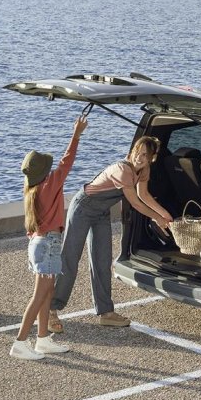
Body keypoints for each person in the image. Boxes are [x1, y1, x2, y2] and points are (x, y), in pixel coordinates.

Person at [49, 135, 173, 333]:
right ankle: (51, 309)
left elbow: (144, 195)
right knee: (70, 258)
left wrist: (164, 214)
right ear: (132, 151)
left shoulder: (144, 170)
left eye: (144, 155)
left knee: (102, 261)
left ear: (151, 158)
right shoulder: (122, 170)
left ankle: (106, 312)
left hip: (101, 213)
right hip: (83, 207)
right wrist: (157, 218)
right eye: (137, 152)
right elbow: (135, 202)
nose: (139, 158)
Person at [11, 115, 87, 360]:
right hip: (48, 245)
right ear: (44, 172)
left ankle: (42, 339)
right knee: (38, 297)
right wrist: (76, 134)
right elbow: (67, 162)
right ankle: (20, 343)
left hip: (38, 243)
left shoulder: (31, 191)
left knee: (45, 293)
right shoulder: (48, 186)